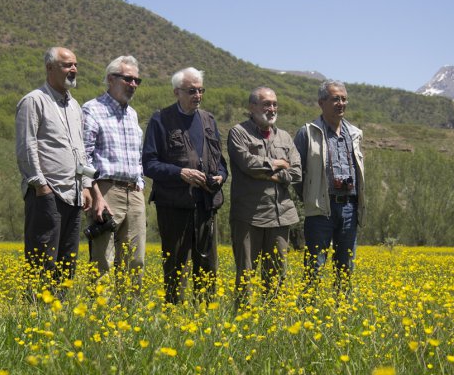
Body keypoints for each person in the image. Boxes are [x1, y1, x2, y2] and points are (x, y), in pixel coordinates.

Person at [142, 67, 227, 304]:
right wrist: (181, 173)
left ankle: (206, 316)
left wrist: (221, 176)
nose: (197, 95)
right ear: (177, 92)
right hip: (173, 206)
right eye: (192, 91)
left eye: (201, 90)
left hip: (206, 204)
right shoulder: (161, 119)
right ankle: (174, 314)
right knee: (176, 265)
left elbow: (221, 162)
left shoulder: (209, 119)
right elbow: (149, 164)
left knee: (208, 266)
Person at [15, 46, 93, 294]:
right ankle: (37, 313)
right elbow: (26, 146)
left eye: (75, 65)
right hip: (47, 193)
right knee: (42, 258)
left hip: (75, 193)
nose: (73, 69)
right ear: (50, 68)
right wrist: (41, 185)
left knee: (67, 261)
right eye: (67, 65)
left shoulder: (75, 106)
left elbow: (79, 149)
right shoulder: (33, 101)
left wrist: (87, 186)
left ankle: (58, 311)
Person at [227, 87, 302, 306]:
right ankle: (243, 320)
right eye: (266, 104)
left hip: (281, 216)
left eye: (274, 104)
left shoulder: (285, 137)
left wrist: (271, 174)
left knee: (278, 274)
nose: (271, 109)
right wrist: (278, 164)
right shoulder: (238, 132)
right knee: (246, 273)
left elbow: (296, 172)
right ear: (252, 107)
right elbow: (248, 164)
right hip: (249, 215)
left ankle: (272, 322)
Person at [293, 80, 365, 293]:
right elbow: (297, 174)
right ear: (321, 103)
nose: (341, 103)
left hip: (350, 208)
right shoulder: (307, 132)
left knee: (346, 267)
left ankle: (342, 313)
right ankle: (308, 310)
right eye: (335, 99)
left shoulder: (355, 133)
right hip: (320, 208)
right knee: (314, 266)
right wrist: (310, 196)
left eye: (344, 99)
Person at [82, 56, 146, 293]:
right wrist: (95, 194)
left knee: (135, 261)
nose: (133, 84)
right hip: (106, 190)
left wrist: (139, 182)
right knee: (103, 260)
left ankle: (129, 317)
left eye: (137, 80)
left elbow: (137, 156)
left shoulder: (133, 115)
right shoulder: (92, 109)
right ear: (111, 79)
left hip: (134, 192)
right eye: (128, 78)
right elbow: (84, 157)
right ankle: (100, 318)